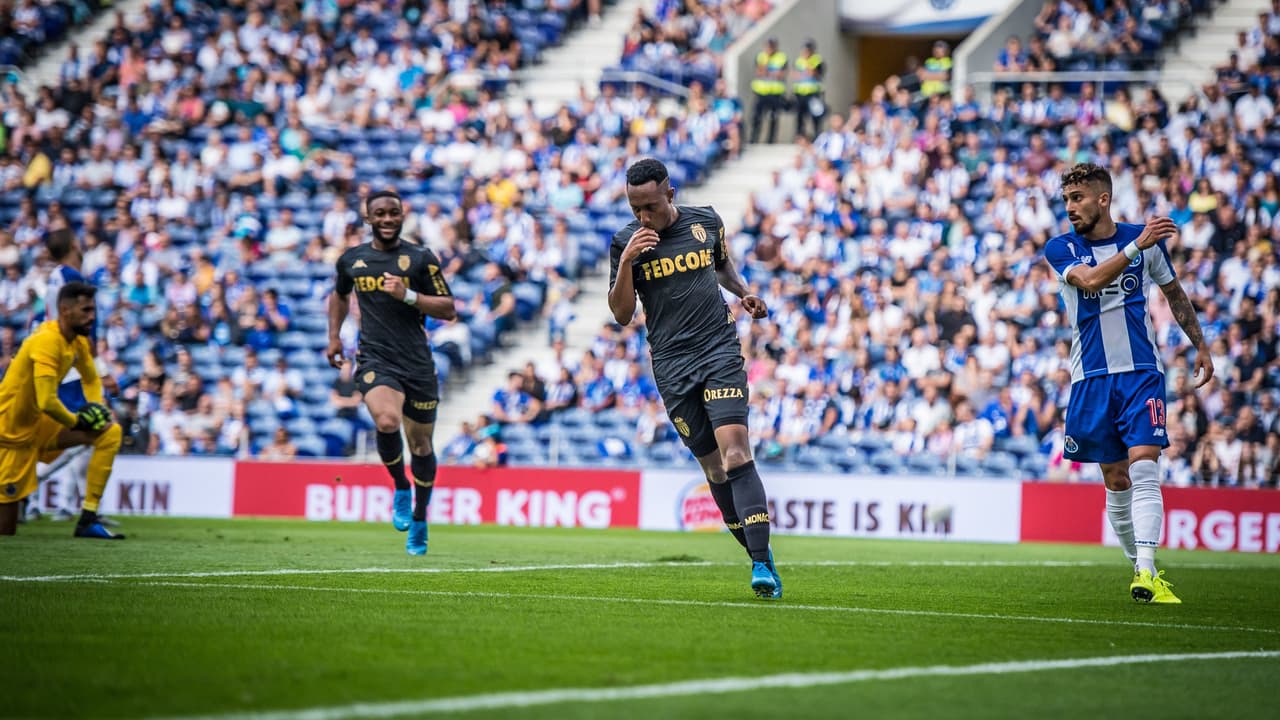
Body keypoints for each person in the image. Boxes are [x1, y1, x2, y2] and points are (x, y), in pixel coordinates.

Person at [608, 158, 781, 599]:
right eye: (635, 209)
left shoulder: (706, 221)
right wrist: (627, 262)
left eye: (649, 206)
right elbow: (623, 313)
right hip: (670, 365)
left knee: (736, 453)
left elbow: (721, 266)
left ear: (670, 192)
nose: (643, 217)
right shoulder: (625, 242)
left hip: (718, 351)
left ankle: (760, 563)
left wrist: (744, 294)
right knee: (713, 468)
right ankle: (760, 555)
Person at [1044, 163, 1215, 604]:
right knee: (1116, 478)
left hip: (1141, 372)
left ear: (1103, 199)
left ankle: (1146, 568)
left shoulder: (1143, 240)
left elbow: (1174, 294)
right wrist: (1138, 246)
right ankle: (1135, 563)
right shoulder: (1061, 248)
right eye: (1066, 200)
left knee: (1143, 465)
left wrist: (1201, 345)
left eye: (1077, 198)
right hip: (1091, 377)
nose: (1069, 208)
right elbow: (1091, 280)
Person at [327, 189, 456, 556]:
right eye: (379, 213)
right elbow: (338, 295)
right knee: (386, 421)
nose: (386, 219)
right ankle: (400, 486)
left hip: (417, 363)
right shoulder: (352, 260)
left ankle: (419, 517)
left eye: (393, 213)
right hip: (374, 358)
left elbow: (448, 309)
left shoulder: (419, 258)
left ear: (402, 216)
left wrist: (409, 296)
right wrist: (334, 337)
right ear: (368, 218)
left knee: (421, 445)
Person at [0, 282, 123, 538]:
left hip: (36, 425)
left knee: (109, 433)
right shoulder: (47, 341)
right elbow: (47, 401)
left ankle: (88, 518)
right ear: (65, 311)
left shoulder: (77, 342)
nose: (92, 316)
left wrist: (96, 407)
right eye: (86, 310)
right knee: (6, 530)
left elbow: (91, 378)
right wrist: (78, 421)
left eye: (94, 310)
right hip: (8, 434)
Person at [749, 37, 787, 144]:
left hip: (775, 93)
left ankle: (770, 140)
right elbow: (759, 72)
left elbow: (781, 74)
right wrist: (771, 71)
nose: (769, 49)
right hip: (761, 92)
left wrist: (767, 70)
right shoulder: (761, 56)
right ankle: (754, 139)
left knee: (773, 117)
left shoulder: (781, 57)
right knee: (757, 117)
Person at [791, 39, 824, 140]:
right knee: (800, 117)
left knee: (815, 116)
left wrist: (807, 65)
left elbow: (814, 74)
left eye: (808, 50)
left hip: (813, 94)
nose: (805, 52)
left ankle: (817, 137)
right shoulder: (798, 61)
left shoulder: (817, 60)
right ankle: (800, 137)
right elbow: (794, 75)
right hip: (800, 94)